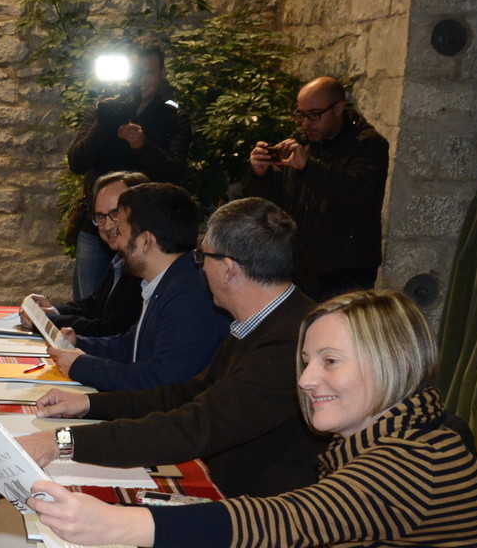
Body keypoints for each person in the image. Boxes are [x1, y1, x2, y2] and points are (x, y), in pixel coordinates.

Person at [30, 289, 477, 548]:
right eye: (306, 361)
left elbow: (282, 519)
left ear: (388, 363)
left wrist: (114, 524)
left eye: (330, 361)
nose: (305, 380)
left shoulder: (413, 462)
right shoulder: (397, 438)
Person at [26, 198, 328, 498]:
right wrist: (90, 405)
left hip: (256, 516)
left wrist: (62, 441)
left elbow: (193, 426)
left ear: (228, 269)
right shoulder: (266, 321)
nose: (199, 269)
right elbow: (185, 394)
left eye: (203, 256)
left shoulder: (290, 342)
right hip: (231, 490)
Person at [43, 182, 228, 392]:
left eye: (120, 232)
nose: (116, 242)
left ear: (145, 241)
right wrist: (79, 343)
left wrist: (82, 366)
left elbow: (161, 383)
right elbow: (131, 346)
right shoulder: (170, 281)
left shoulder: (189, 296)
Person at [244, 75, 389, 300]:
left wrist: (308, 167)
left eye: (314, 115)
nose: (305, 123)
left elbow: (358, 195)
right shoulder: (304, 142)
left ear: (339, 108)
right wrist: (260, 174)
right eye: (301, 115)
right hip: (300, 268)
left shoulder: (369, 145)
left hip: (345, 273)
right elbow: (276, 205)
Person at [64, 44, 191, 298]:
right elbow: (77, 161)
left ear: (161, 73)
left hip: (146, 232)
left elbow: (176, 173)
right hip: (98, 228)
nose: (141, 80)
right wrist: (105, 124)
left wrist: (143, 146)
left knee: (134, 305)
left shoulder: (173, 114)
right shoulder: (106, 109)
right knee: (89, 300)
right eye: (136, 73)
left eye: (149, 73)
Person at [22, 171, 146, 338]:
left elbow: (111, 330)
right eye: (100, 216)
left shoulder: (143, 268)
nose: (107, 225)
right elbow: (93, 306)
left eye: (115, 214)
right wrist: (52, 311)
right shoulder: (119, 260)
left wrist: (50, 320)